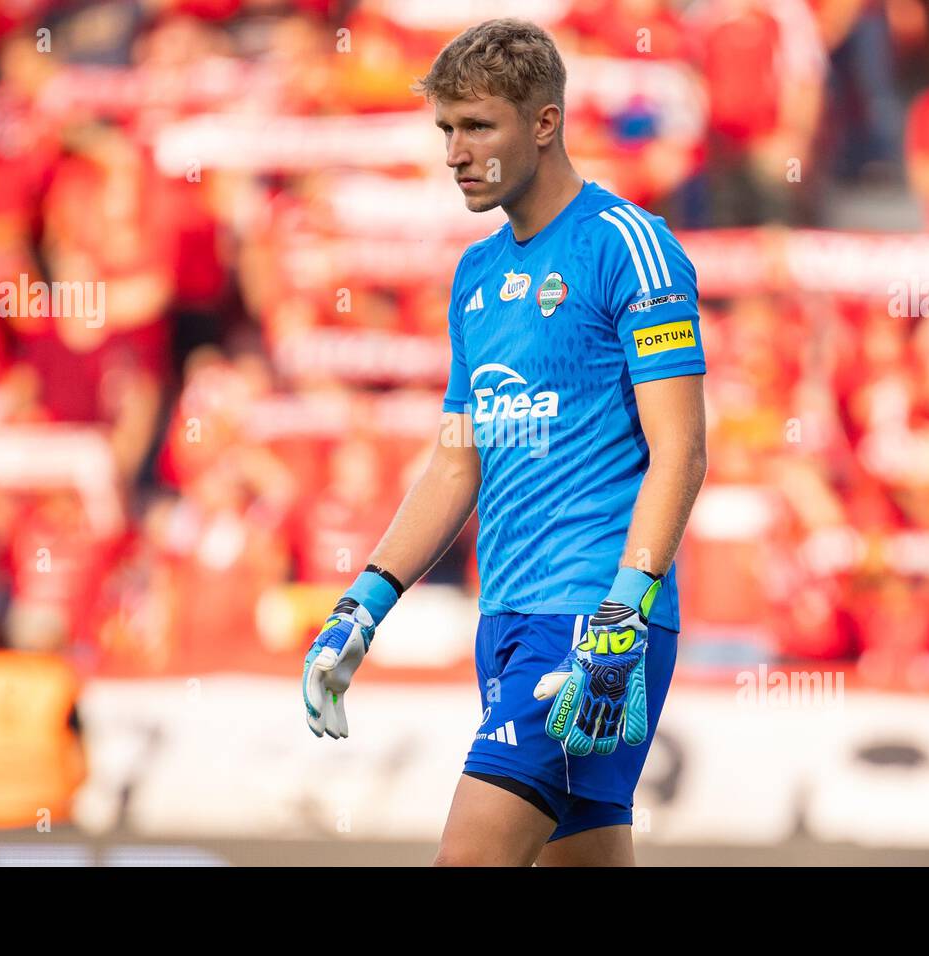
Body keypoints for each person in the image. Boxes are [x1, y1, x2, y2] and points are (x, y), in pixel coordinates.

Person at [301, 19, 707, 866]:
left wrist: (622, 610)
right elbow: (458, 458)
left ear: (546, 123)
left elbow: (681, 450)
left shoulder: (629, 246)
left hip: (592, 621)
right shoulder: (475, 277)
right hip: (508, 619)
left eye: (478, 125)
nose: (455, 152)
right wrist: (360, 608)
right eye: (446, 130)